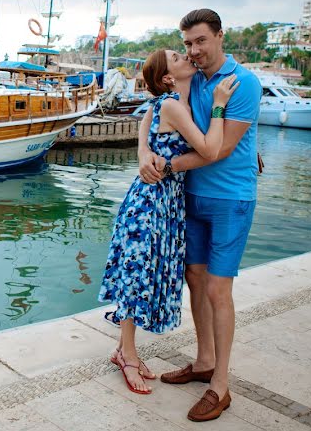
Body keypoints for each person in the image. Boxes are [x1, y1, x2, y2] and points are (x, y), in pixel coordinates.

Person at [137, 9, 261, 422]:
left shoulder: (242, 83)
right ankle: (204, 359)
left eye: (201, 41)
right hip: (192, 197)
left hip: (230, 198)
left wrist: (167, 167)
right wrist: (144, 156)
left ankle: (220, 385)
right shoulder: (192, 80)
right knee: (194, 278)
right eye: (188, 43)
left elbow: (220, 149)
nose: (194, 51)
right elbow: (155, 115)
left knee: (217, 290)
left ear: (220, 36)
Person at [99, 47, 238, 397]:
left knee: (142, 271)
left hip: (163, 201)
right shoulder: (173, 105)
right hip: (152, 200)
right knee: (138, 272)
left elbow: (147, 133)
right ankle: (126, 353)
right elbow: (208, 149)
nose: (186, 56)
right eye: (177, 57)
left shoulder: (174, 105)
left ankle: (124, 349)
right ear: (167, 78)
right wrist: (221, 103)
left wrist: (244, 147)